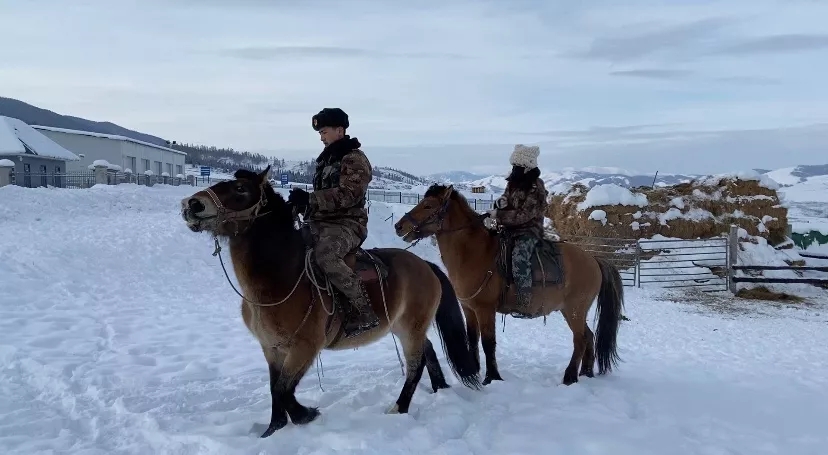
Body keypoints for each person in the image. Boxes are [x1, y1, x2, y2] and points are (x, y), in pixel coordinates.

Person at [287, 108, 380, 337]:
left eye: (324, 131)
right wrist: (302, 205)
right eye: (319, 133)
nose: (321, 137)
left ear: (340, 130)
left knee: (326, 256)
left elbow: (349, 195)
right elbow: (324, 195)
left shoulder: (354, 158)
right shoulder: (326, 160)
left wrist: (310, 198)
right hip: (321, 221)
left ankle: (363, 310)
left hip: (348, 224)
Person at [484, 144, 549, 318]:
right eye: (514, 166)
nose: (514, 169)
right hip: (510, 228)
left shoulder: (536, 187)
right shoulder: (514, 182)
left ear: (527, 167)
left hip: (529, 230)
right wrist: (499, 204)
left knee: (519, 257)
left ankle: (524, 301)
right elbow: (506, 197)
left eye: (517, 166)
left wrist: (498, 216)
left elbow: (525, 215)